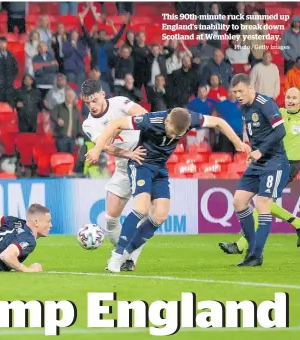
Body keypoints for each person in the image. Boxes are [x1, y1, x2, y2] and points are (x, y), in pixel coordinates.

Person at [86, 108, 247, 272]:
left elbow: (218, 122)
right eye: (171, 132)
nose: (172, 137)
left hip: (160, 169)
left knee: (160, 216)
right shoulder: (151, 120)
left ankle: (127, 254)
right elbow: (115, 123)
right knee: (141, 208)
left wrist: (237, 143)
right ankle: (117, 255)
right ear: (167, 121)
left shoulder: (190, 119)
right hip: (142, 164)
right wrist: (97, 149)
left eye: (177, 135)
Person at [220, 78, 297, 263]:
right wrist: (251, 150)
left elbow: (280, 132)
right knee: (239, 201)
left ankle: (256, 254)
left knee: (263, 203)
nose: (237, 96)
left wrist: (260, 151)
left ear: (250, 88)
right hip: (258, 163)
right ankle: (251, 247)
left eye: (240, 91)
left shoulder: (265, 103)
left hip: (275, 162)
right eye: (235, 92)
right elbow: (257, 134)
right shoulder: (245, 107)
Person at [80, 79, 149, 271]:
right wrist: (128, 154)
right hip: (122, 164)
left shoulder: (119, 102)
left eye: (94, 100)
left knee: (144, 212)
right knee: (110, 219)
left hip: (143, 157)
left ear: (103, 94)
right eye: (87, 103)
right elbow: (107, 147)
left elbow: (144, 115)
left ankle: (127, 259)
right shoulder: (88, 124)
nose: (91, 106)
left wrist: (119, 125)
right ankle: (126, 255)